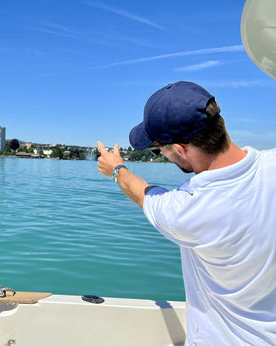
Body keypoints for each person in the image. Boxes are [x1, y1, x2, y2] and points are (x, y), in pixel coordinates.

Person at [96, 81, 276, 345]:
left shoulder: (186, 210)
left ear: (180, 149)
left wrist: (115, 168)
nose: (162, 155)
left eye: (159, 150)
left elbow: (139, 191)